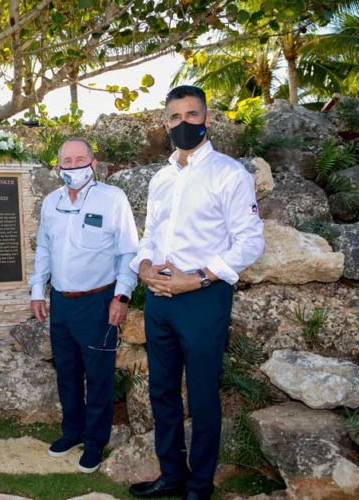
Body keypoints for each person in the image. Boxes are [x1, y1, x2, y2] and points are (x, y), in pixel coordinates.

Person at [128, 85, 265, 500]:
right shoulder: (161, 178)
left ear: (206, 119)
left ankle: (200, 485)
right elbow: (150, 236)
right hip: (160, 299)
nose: (183, 123)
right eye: (175, 117)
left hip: (204, 298)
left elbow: (250, 241)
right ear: (165, 123)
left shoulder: (228, 174)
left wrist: (200, 278)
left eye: (191, 115)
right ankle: (172, 474)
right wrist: (145, 267)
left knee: (203, 394)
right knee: (162, 390)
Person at [30, 137, 139, 473]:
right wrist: (38, 290)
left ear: (93, 164)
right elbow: (44, 249)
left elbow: (128, 252)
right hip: (61, 302)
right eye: (67, 160)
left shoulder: (113, 199)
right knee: (68, 373)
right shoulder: (51, 202)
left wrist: (121, 297)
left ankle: (94, 443)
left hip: (98, 302)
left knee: (99, 376)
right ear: (59, 166)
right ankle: (72, 432)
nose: (73, 166)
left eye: (80, 160)